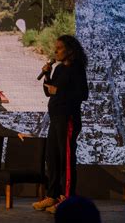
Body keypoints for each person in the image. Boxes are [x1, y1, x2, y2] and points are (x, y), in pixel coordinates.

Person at [32, 34, 89, 214]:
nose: (55, 51)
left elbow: (82, 94)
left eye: (59, 48)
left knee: (66, 158)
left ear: (70, 50)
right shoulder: (58, 69)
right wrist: (47, 75)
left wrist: (60, 90)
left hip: (68, 118)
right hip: (55, 118)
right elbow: (49, 92)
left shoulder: (77, 68)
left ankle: (67, 198)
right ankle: (53, 195)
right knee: (52, 157)